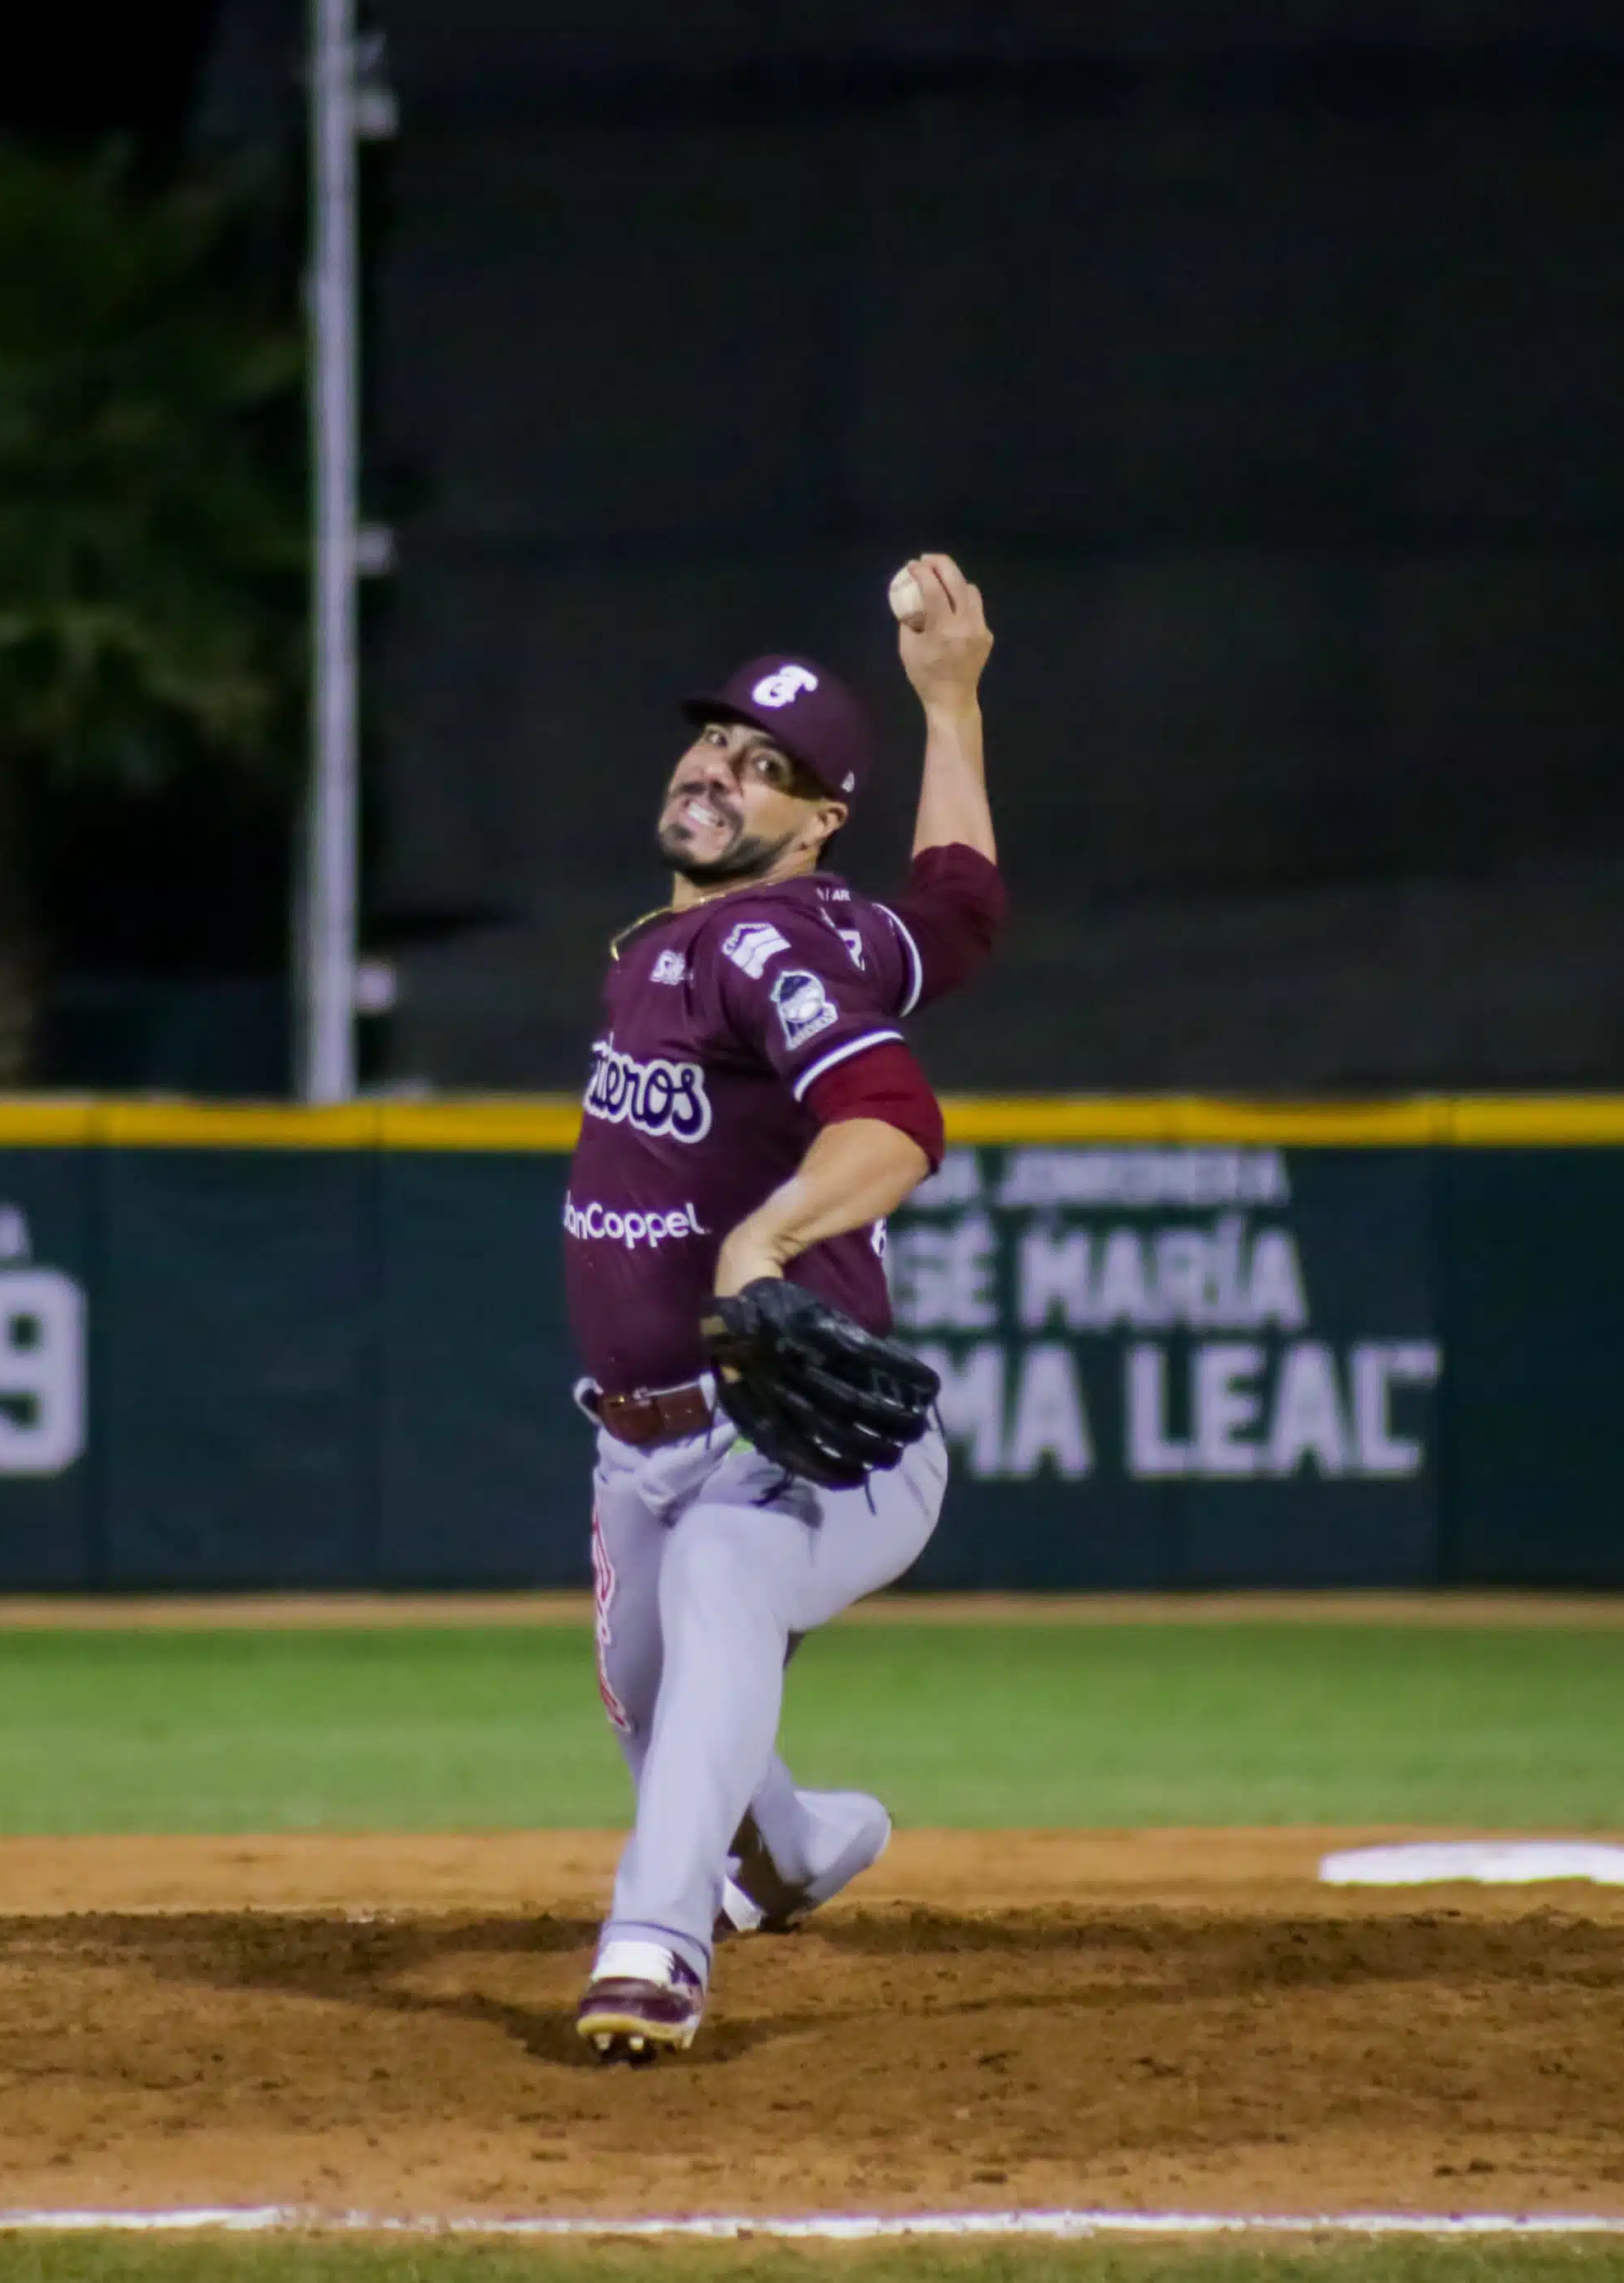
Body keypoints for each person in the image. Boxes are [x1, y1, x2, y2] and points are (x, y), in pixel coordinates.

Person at [559, 554, 1003, 2060]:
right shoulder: (834, 931)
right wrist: (952, 702)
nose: (718, 770)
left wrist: (766, 1238)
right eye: (716, 741)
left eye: (768, 768)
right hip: (639, 1447)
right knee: (659, 1699)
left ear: (815, 823)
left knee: (729, 1581)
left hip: (801, 1433)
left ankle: (655, 1945)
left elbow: (892, 1120)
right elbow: (958, 905)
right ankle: (806, 1849)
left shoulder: (762, 938)